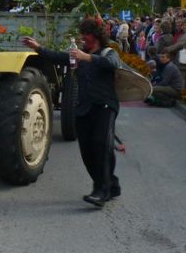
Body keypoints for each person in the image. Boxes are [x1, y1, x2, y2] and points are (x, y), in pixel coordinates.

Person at [22, 19, 120, 207]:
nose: (83, 37)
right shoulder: (77, 54)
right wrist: (38, 47)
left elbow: (112, 64)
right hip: (83, 107)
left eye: (87, 34)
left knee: (101, 145)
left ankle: (101, 190)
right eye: (82, 33)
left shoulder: (108, 52)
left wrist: (87, 57)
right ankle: (111, 184)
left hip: (104, 106)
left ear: (96, 36)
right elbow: (57, 57)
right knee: (87, 151)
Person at [164, 17, 186, 91]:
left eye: (185, 25)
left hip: (184, 58)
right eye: (183, 25)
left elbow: (179, 44)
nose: (183, 27)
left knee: (181, 77)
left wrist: (168, 49)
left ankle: (180, 94)